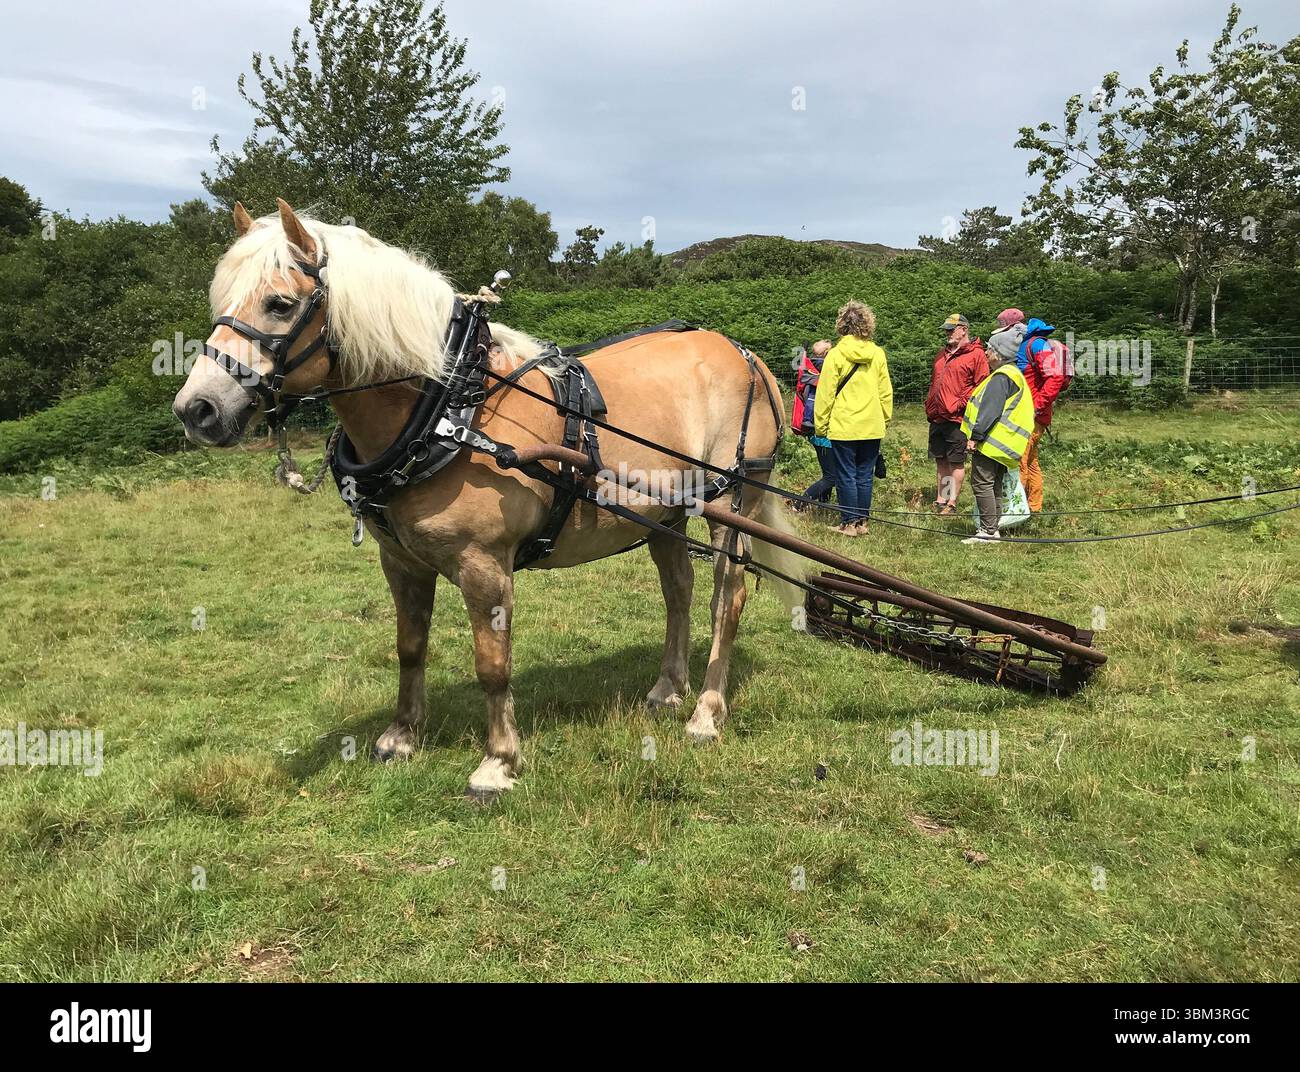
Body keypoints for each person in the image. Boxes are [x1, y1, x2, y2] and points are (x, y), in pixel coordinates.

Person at [814, 301, 892, 537]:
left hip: (844, 424)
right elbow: (885, 391)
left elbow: (826, 392)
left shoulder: (836, 355)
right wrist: (884, 418)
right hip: (872, 425)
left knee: (845, 474)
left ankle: (848, 523)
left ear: (842, 325)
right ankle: (863, 523)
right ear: (867, 324)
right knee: (864, 474)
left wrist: (821, 424)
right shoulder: (877, 353)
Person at [959, 334, 1036, 544]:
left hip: (992, 442)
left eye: (990, 349)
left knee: (982, 483)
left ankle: (987, 530)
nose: (986, 353)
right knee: (994, 485)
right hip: (1005, 444)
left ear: (999, 354)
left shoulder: (1001, 377)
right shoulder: (1014, 375)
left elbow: (990, 410)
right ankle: (993, 528)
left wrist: (976, 436)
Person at [924, 314, 989, 515]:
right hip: (937, 416)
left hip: (957, 418)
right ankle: (941, 499)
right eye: (946, 330)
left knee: (955, 461)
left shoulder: (976, 355)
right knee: (941, 459)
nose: (948, 333)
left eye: (951, 329)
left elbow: (981, 386)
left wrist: (959, 404)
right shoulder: (941, 354)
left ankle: (952, 503)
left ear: (964, 329)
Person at [1015, 316, 1067, 513]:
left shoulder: (1036, 345)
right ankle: (1034, 507)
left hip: (1031, 415)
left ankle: (1016, 511)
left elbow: (1055, 376)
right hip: (1036, 415)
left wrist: (1037, 405)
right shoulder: (1038, 344)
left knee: (1019, 462)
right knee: (1031, 462)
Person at [792, 340, 837, 511]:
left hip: (813, 430)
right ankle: (801, 502)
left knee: (829, 472)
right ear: (826, 354)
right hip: (824, 432)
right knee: (832, 477)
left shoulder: (810, 371)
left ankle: (823, 506)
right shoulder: (828, 372)